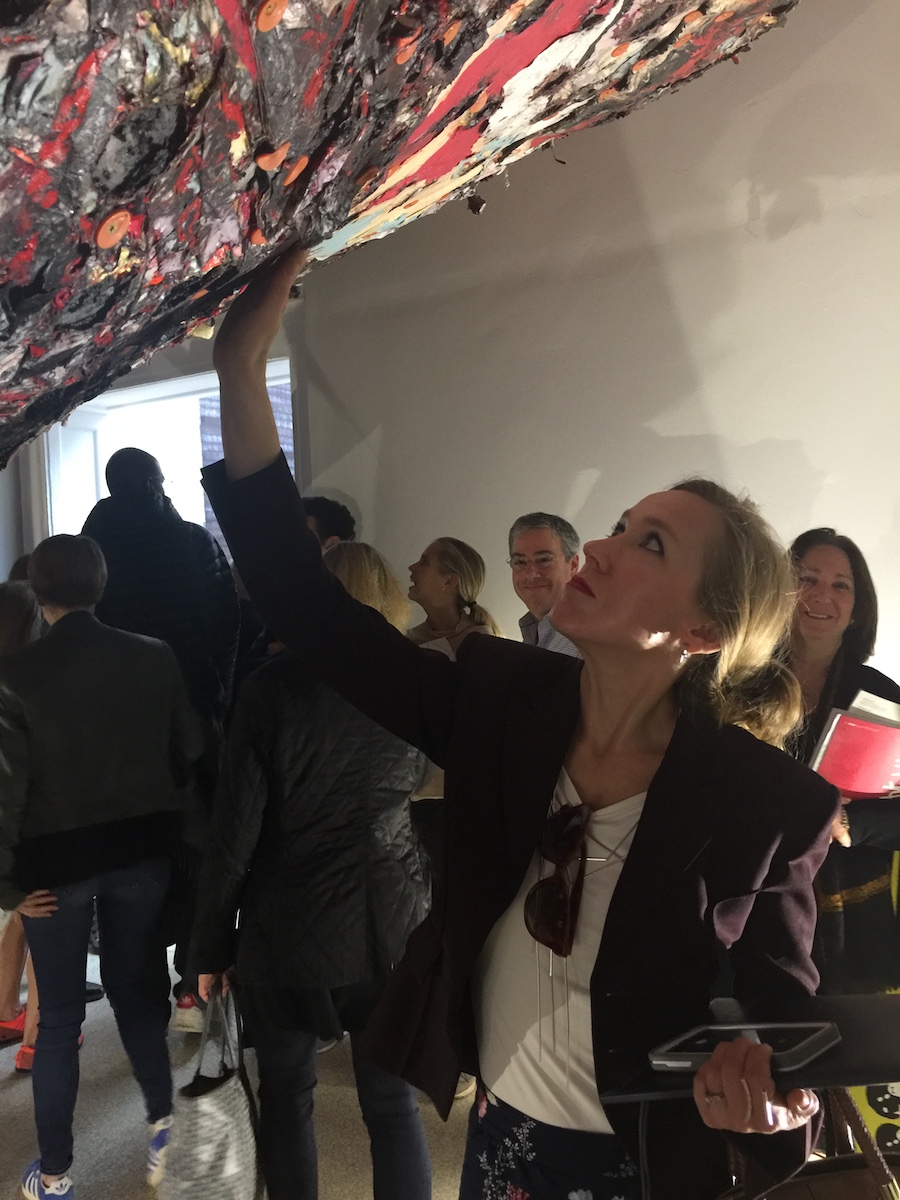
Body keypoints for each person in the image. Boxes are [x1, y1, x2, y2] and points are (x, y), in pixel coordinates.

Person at [202, 247, 837, 1200]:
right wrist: (240, 371)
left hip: (644, 1166)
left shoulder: (769, 804)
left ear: (703, 630)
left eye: (649, 544)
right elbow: (309, 608)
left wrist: (776, 1098)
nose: (602, 550)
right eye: (619, 525)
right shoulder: (500, 698)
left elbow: (788, 1030)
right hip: (499, 1143)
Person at [191, 540, 432, 1200]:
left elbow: (233, 835)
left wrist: (208, 948)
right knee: (393, 1104)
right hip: (390, 917)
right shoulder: (411, 682)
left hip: (288, 923)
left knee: (287, 1095)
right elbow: (415, 782)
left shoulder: (270, 688)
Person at [0, 535, 204, 1200]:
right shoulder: (153, 655)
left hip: (52, 868)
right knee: (138, 994)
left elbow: (5, 793)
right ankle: (164, 1133)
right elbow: (190, 749)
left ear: (36, 588)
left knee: (60, 1018)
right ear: (102, 583)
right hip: (142, 852)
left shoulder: (15, 674)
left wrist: (6, 886)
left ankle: (55, 1175)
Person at [82, 447, 240, 1029]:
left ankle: (140, 991)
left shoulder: (94, 548)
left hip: (118, 725)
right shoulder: (192, 542)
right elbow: (226, 622)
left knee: (132, 855)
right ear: (157, 481)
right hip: (191, 713)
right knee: (197, 850)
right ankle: (190, 986)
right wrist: (217, 694)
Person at [787, 528, 900, 994]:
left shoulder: (882, 696)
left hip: (853, 925)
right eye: (807, 579)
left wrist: (848, 822)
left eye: (840, 585)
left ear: (857, 607)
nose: (822, 595)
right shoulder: (740, 680)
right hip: (745, 907)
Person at [0, 582, 43, 1062]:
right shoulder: (31, 686)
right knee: (48, 923)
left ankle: (6, 1008)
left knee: (20, 917)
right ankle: (36, 1037)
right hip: (29, 830)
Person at [407, 536, 501, 656]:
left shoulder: (483, 644)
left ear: (449, 581)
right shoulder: (410, 640)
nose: (411, 567)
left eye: (425, 562)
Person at [508, 512, 581, 656]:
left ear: (573, 565)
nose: (531, 574)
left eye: (544, 560)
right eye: (520, 562)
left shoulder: (585, 637)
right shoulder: (534, 630)